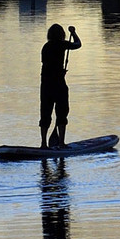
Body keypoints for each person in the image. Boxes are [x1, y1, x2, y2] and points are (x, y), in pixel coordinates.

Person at [39, 21, 81, 151]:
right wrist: (73, 33)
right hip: (58, 84)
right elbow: (78, 44)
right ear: (61, 34)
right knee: (62, 113)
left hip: (45, 85)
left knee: (45, 113)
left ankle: (43, 144)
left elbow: (47, 64)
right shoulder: (62, 44)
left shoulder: (45, 47)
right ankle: (61, 143)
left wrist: (59, 71)